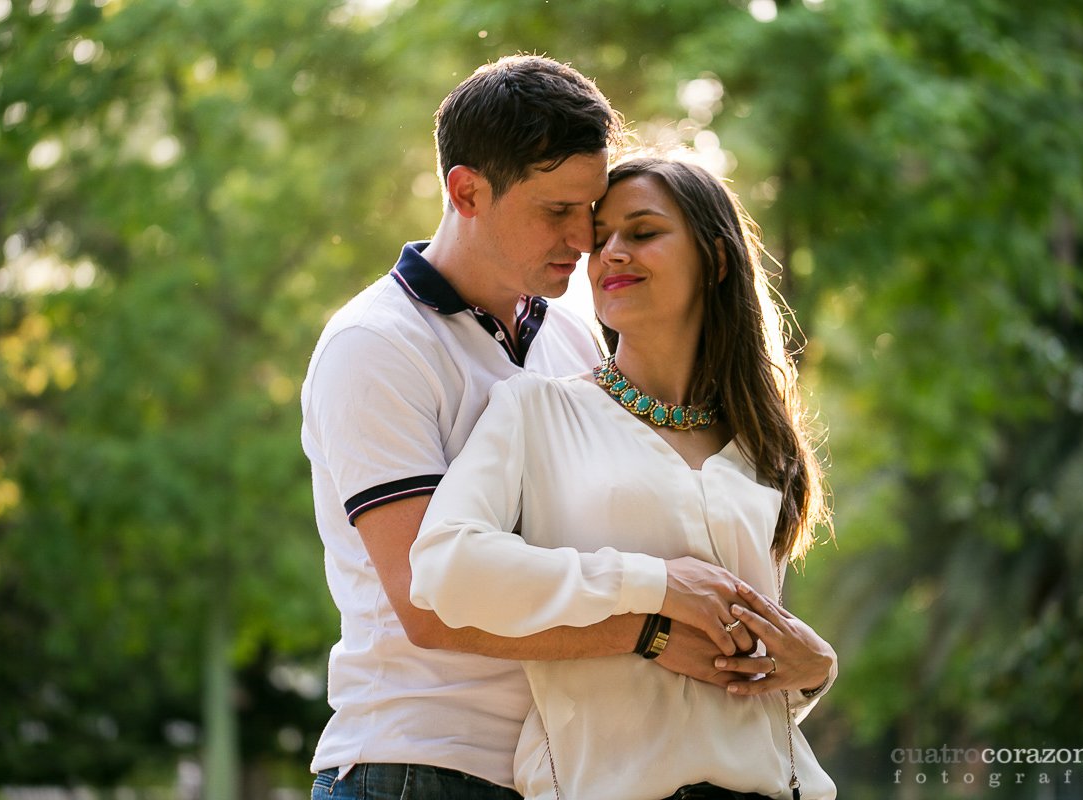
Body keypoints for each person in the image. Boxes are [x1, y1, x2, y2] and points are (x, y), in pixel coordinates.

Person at [302, 58, 766, 800]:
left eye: (592, 208)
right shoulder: (377, 344)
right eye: (557, 211)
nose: (585, 238)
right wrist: (651, 629)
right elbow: (428, 605)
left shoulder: (577, 339)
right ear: (466, 192)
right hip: (419, 766)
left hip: (558, 769)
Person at [409, 156, 839, 800]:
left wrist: (812, 674)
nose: (609, 253)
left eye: (642, 233)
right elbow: (444, 567)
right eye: (600, 236)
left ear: (716, 261)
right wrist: (656, 586)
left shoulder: (763, 443)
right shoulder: (536, 409)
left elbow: (735, 669)